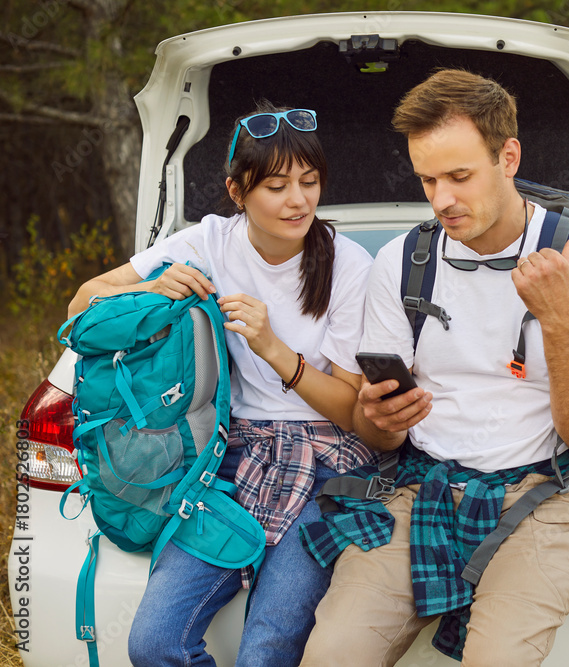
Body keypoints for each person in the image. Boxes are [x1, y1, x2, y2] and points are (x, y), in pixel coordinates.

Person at [299, 70, 569, 666]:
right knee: (332, 655)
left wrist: (557, 319)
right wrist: (380, 420)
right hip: (423, 490)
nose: (441, 199)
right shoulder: (402, 262)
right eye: (428, 179)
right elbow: (378, 435)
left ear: (508, 157)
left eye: (459, 177)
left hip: (548, 495)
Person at [68, 102, 376, 666]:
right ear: (237, 191)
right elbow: (81, 302)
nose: (298, 200)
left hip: (327, 466)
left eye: (309, 182)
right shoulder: (207, 240)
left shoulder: (349, 265)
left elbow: (350, 408)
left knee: (266, 651)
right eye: (277, 186)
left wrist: (274, 349)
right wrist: (149, 290)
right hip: (228, 460)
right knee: (154, 643)